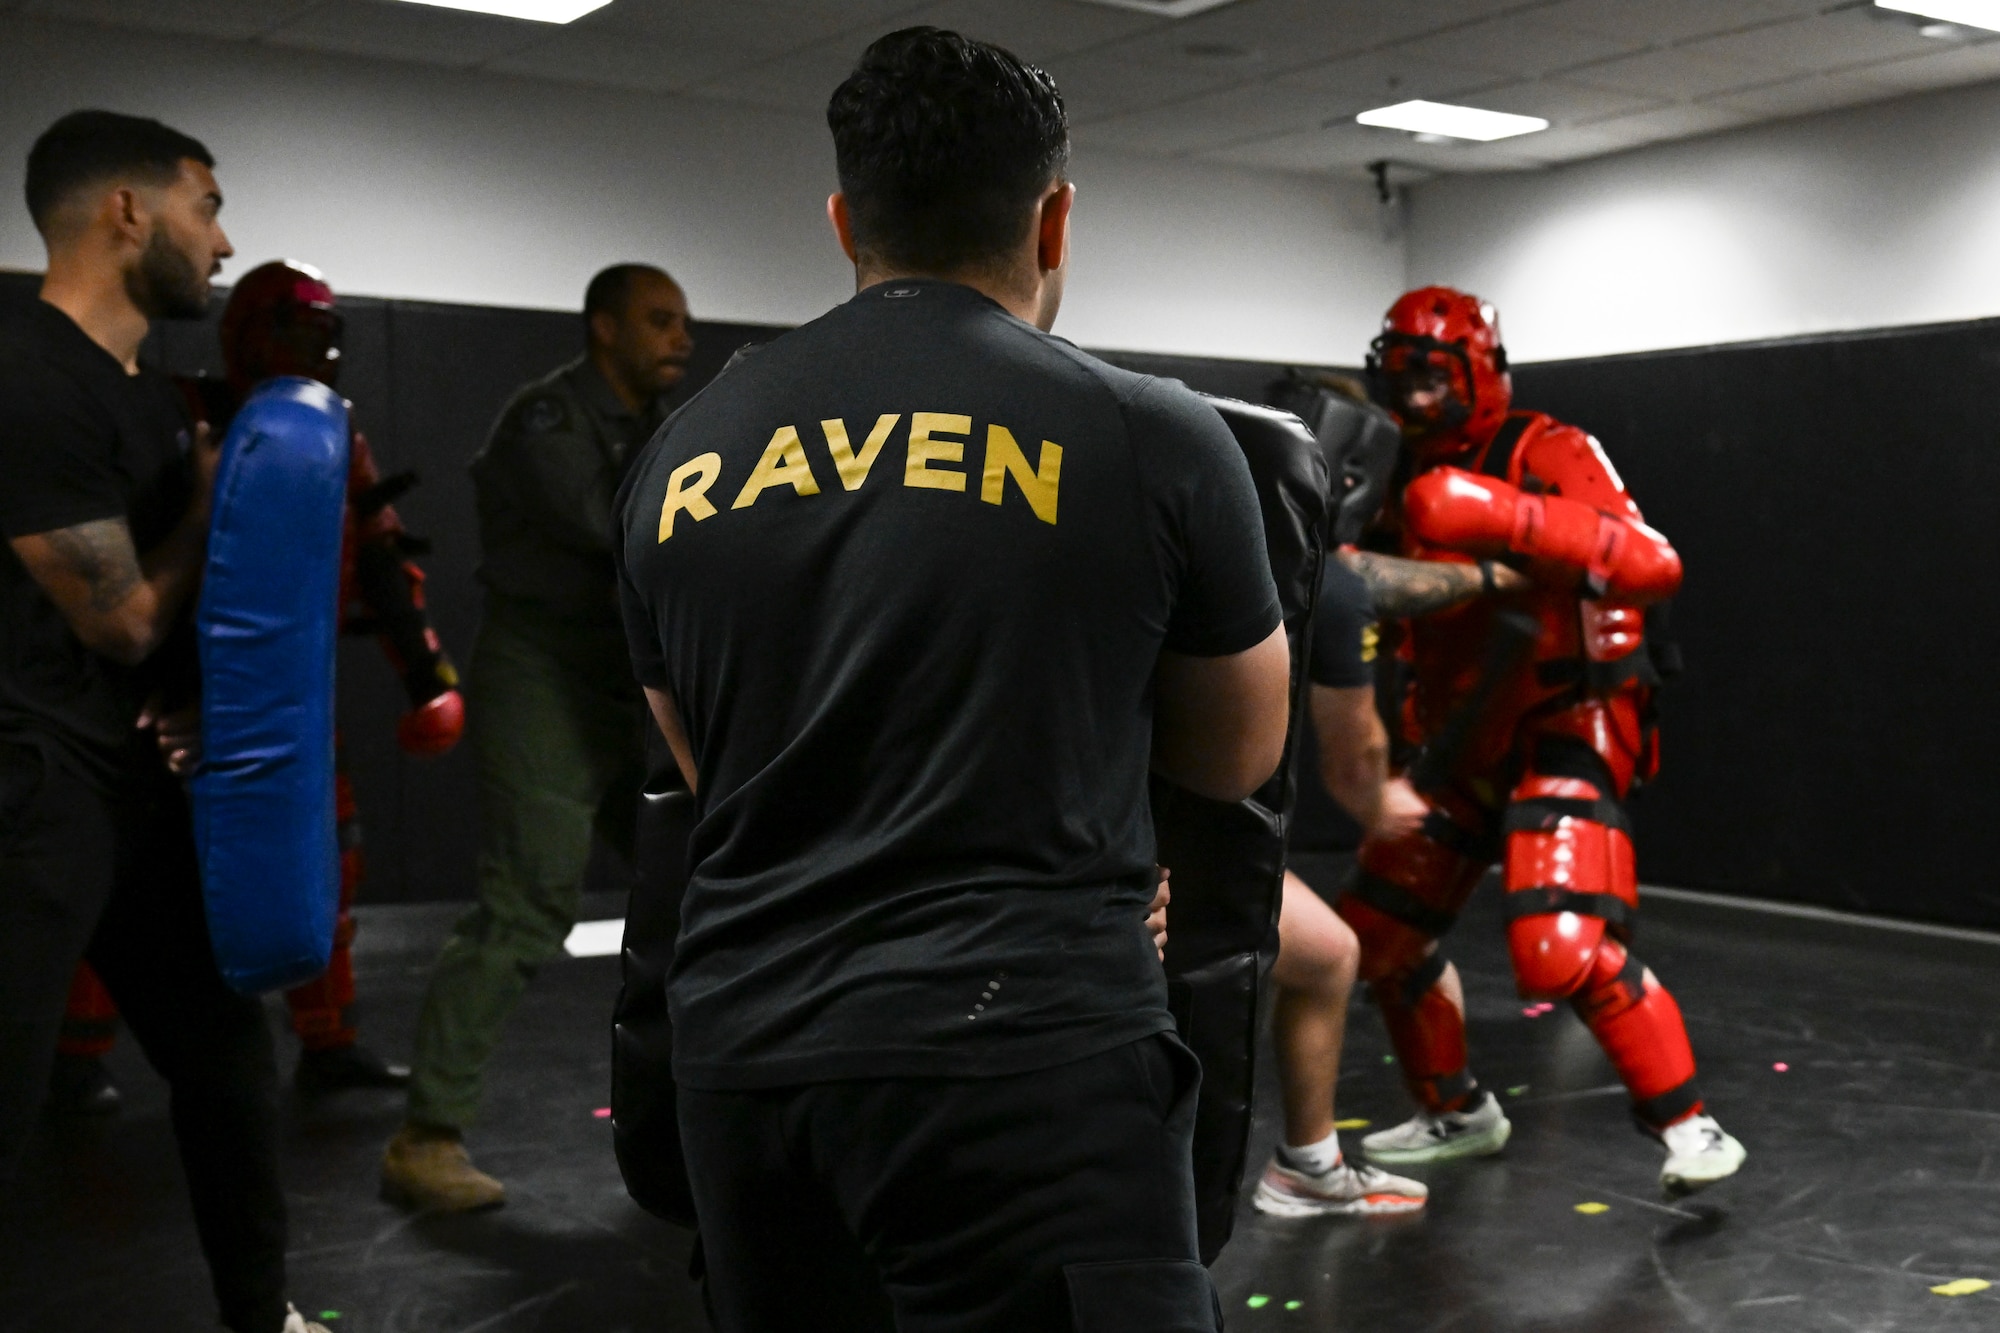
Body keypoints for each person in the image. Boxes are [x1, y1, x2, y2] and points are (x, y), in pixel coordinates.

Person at [615, 28, 1290, 1331]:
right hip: (1026, 1058)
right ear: (1056, 220)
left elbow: (700, 758)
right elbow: (1234, 757)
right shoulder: (1150, 433)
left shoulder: (682, 454)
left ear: (840, 219)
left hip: (751, 1069)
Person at [0, 110, 329, 1333]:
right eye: (206, 203)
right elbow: (123, 619)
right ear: (126, 212)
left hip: (127, 779)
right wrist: (208, 500)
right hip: (28, 784)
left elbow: (174, 641)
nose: (224, 238)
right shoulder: (25, 376)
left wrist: (196, 703)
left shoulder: (149, 393)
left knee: (227, 1059)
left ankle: (264, 1314)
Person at [1334, 285, 1745, 1195]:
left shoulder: (1546, 448)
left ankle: (1691, 1126)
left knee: (1559, 944)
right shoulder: (1391, 475)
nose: (1415, 398)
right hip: (1454, 736)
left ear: (1479, 372)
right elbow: (1380, 596)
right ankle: (1453, 1110)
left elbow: (1652, 563)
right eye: (1400, 376)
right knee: (1373, 939)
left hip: (1567, 721)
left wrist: (1502, 513)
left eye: (1434, 377)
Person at [46, 260, 465, 1115]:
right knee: (115, 878)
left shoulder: (331, 435)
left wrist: (428, 674)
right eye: (294, 331)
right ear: (247, 334)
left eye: (323, 334)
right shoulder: (183, 417)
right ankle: (74, 1056)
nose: (313, 350)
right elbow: (118, 569)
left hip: (284, 692)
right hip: (159, 690)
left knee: (325, 857)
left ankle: (328, 1041)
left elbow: (382, 561)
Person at [381, 261, 694, 1210]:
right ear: (604, 328)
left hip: (619, 679)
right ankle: (425, 1135)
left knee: (693, 892)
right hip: (542, 673)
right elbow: (623, 530)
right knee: (528, 901)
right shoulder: (547, 419)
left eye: (683, 321)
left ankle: (694, 1125)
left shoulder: (653, 425)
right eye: (659, 321)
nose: (681, 337)